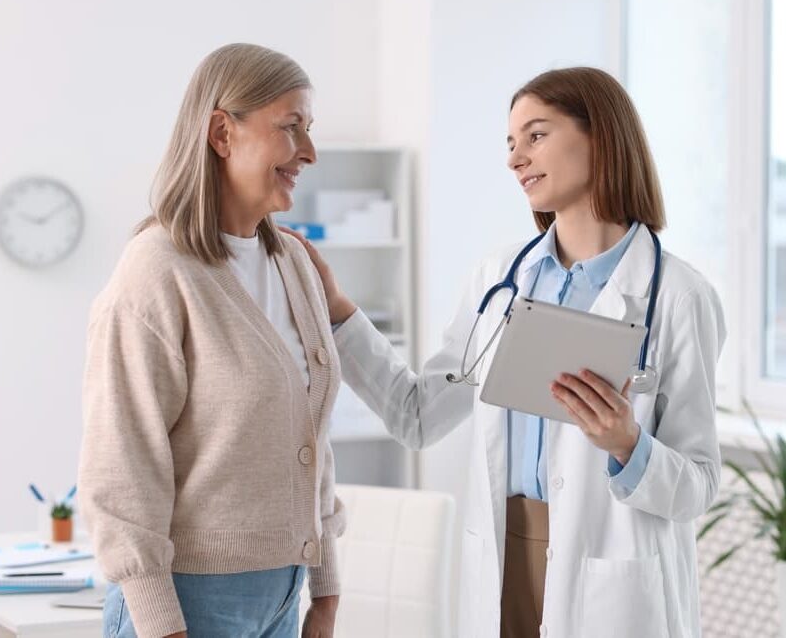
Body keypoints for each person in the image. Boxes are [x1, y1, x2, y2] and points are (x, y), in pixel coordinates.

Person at [288, 67, 725, 637]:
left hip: (610, 574)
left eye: (536, 136)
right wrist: (340, 311)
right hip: (503, 555)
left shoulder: (679, 296)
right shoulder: (501, 280)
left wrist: (628, 444)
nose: (515, 159)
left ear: (602, 137)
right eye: (511, 143)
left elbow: (699, 484)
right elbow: (416, 415)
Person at [78, 43, 345, 638]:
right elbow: (120, 466)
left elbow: (313, 443)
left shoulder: (295, 263)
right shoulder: (156, 271)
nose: (309, 151)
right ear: (223, 132)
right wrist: (160, 622)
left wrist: (324, 590)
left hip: (285, 596)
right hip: (183, 606)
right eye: (291, 126)